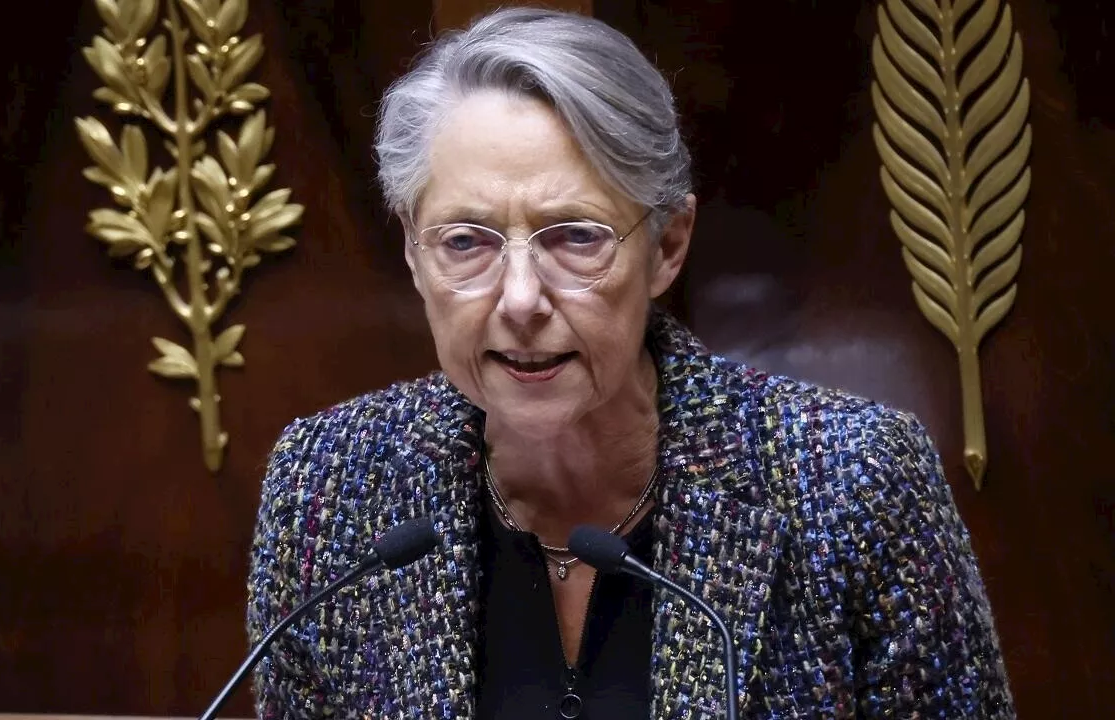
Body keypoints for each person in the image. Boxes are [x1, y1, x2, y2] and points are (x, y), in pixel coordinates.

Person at [246, 7, 1014, 718]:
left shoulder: (854, 481)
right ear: (416, 253)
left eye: (575, 237)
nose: (519, 299)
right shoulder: (329, 485)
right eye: (466, 242)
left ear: (667, 246)